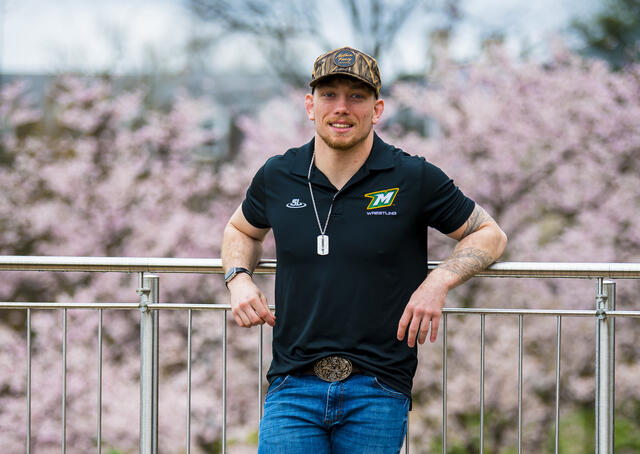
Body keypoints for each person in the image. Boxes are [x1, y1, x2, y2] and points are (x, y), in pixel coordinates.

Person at [221, 46, 507, 454]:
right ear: (310, 105)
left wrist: (438, 281)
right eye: (329, 95)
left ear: (377, 109)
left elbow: (489, 233)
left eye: (356, 96)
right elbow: (240, 230)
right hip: (291, 386)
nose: (342, 108)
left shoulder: (413, 176)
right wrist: (238, 279)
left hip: (378, 387)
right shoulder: (277, 175)